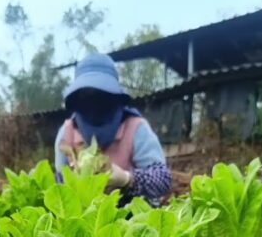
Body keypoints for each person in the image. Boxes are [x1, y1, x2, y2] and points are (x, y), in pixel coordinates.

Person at [54, 53, 173, 206]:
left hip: (133, 216)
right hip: (85, 215)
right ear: (76, 99)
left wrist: (126, 179)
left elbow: (162, 179)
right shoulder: (67, 133)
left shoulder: (135, 128)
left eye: (101, 95)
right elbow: (60, 186)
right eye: (87, 95)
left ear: (115, 97)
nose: (94, 103)